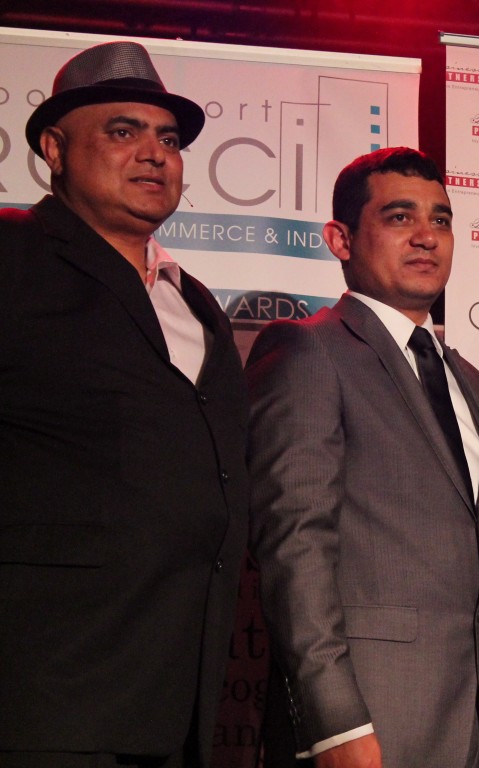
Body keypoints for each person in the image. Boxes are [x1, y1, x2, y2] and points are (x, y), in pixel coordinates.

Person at [247, 147, 479, 768]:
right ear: (341, 239)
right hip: (373, 723)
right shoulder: (308, 352)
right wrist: (334, 723)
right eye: (400, 217)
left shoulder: (477, 389)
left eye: (441, 220)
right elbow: (295, 546)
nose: (426, 236)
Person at [0, 41, 249, 767]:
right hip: (44, 698)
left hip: (175, 705)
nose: (154, 154)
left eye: (168, 140)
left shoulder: (196, 303)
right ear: (54, 148)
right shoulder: (12, 256)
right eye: (122, 131)